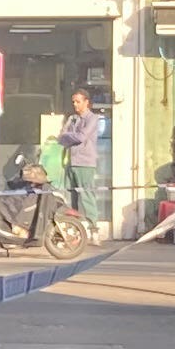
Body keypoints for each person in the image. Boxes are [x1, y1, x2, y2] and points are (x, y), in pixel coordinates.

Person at [60, 89, 106, 238]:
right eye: (73, 102)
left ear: (86, 102)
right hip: (71, 162)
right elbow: (61, 136)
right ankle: (74, 229)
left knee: (86, 194)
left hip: (85, 162)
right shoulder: (72, 119)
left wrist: (68, 136)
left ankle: (93, 229)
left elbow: (82, 136)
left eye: (78, 101)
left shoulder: (92, 118)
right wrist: (68, 136)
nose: (75, 105)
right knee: (70, 196)